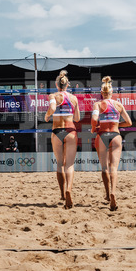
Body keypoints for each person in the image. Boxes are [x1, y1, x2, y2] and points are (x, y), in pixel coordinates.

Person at [91, 76, 132, 211]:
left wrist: (93, 128)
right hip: (115, 135)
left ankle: (108, 195)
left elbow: (94, 119)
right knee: (113, 168)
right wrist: (117, 124)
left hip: (102, 135)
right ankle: (113, 192)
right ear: (112, 92)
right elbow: (129, 122)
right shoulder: (118, 105)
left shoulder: (98, 104)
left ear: (101, 93)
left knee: (104, 168)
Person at [44, 70, 80, 207]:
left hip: (57, 130)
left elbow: (53, 108)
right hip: (70, 131)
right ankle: (68, 189)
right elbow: (77, 118)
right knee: (69, 164)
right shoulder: (73, 98)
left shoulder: (53, 95)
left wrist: (47, 115)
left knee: (60, 164)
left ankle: (62, 194)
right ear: (67, 85)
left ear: (56, 84)